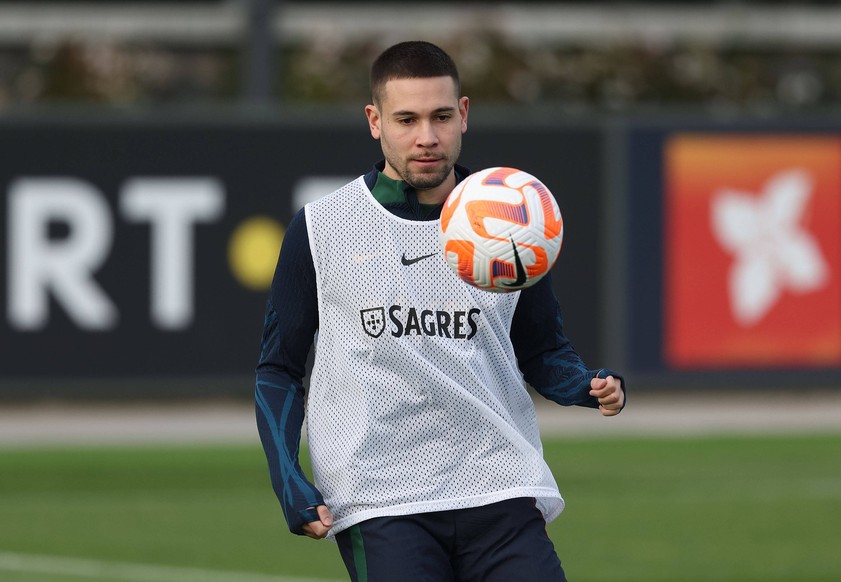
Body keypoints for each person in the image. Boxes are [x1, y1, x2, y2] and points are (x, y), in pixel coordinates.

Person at [255, 40, 625, 582]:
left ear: (464, 115)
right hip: (379, 497)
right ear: (374, 121)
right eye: (406, 119)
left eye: (441, 117)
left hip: (497, 482)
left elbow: (543, 351)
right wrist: (288, 479)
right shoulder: (322, 228)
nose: (426, 137)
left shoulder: (511, 221)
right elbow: (279, 369)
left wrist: (586, 385)